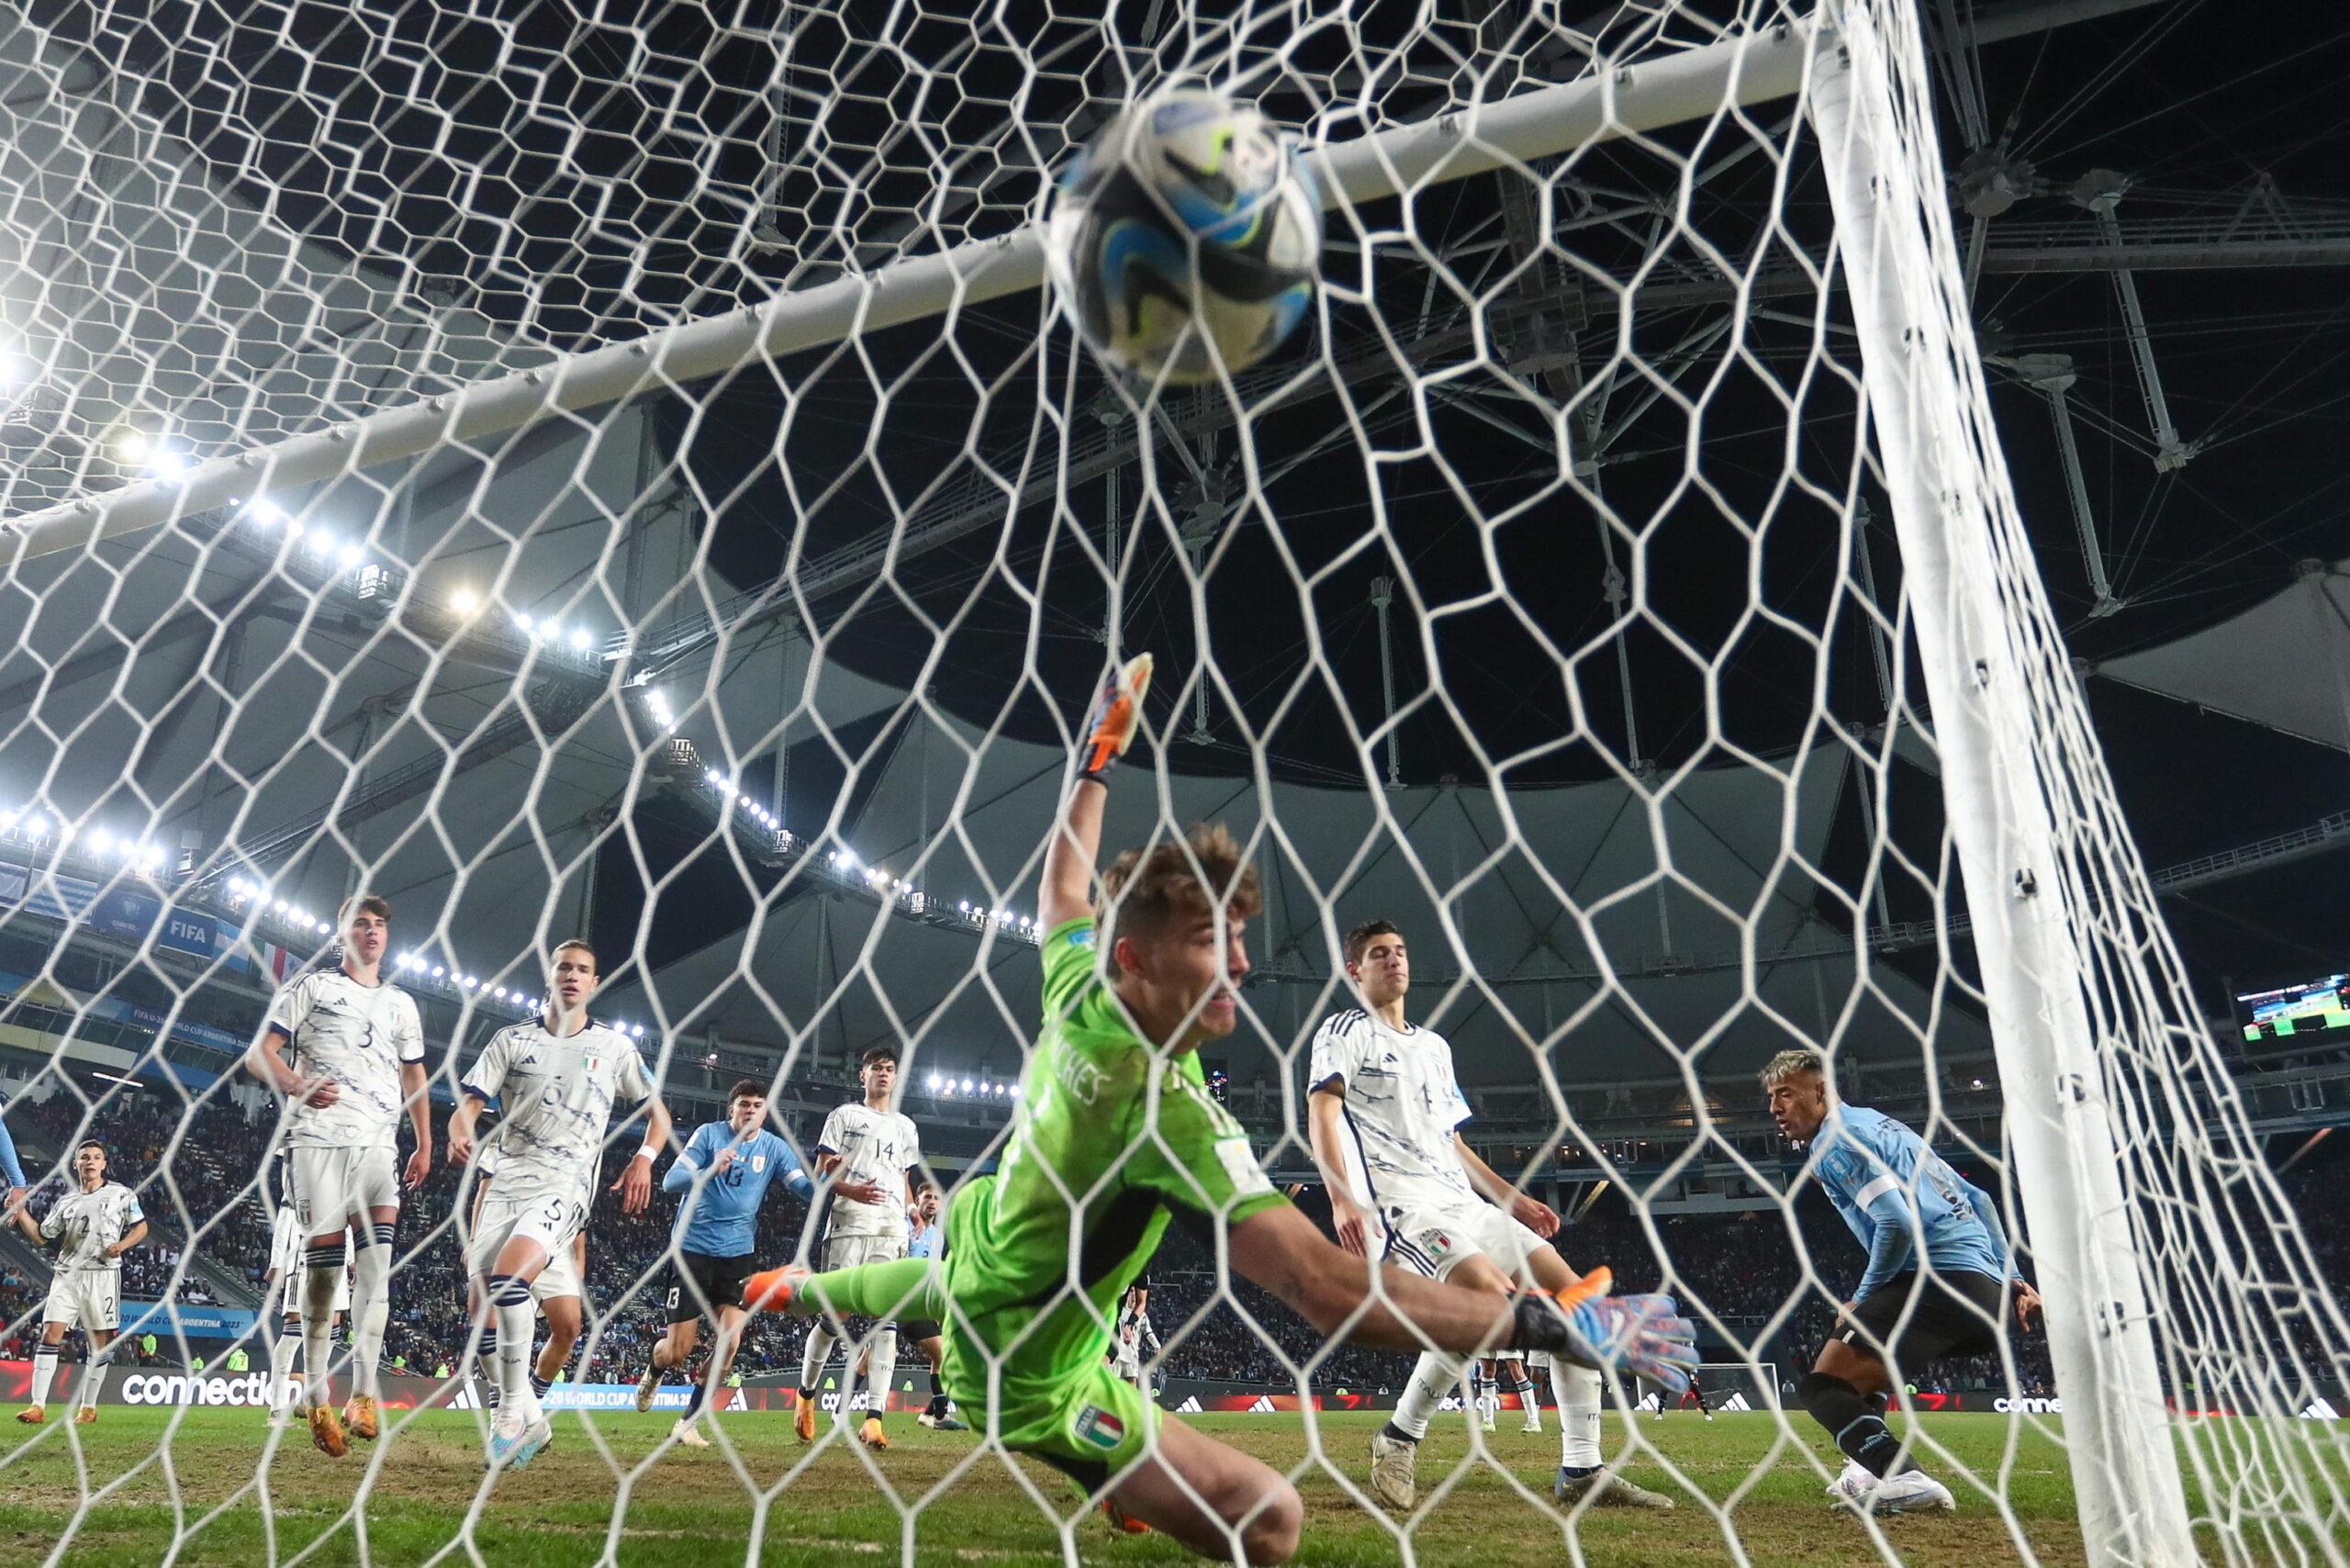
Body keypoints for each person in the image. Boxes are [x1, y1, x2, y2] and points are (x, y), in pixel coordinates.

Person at [740, 654, 1695, 1563]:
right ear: (1140, 961)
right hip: (1028, 1377)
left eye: (1236, 935)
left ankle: (839, 1305)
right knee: (1270, 1521)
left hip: (989, 1252)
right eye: (1210, 939)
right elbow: (1322, 1289)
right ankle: (1087, 1452)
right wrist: (1540, 1324)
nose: (1240, 961)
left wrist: (1096, 761)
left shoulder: (1081, 986)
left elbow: (1064, 883)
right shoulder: (1167, 1116)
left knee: (937, 1282)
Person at [1307, 919, 1667, 1510]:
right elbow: (1322, 1109)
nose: (1394, 961)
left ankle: (1582, 1469)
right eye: (1379, 954)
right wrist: (1340, 1194)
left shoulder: (1435, 1047)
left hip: (1464, 1204)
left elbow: (1450, 1140)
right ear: (1356, 970)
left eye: (1400, 951)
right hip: (1404, 1206)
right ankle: (1399, 1437)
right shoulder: (1344, 1031)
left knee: (1578, 1304)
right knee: (1486, 1305)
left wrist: (1511, 1197)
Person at [1762, 1048, 2042, 1517]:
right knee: (1861, 1374)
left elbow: (1897, 1222)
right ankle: (1866, 1470)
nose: (1775, 1108)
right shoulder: (1879, 1124)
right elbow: (1980, 1199)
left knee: (1821, 1386)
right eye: (1771, 1097)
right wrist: (2013, 1278)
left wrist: (1863, 1296)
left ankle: (1902, 1477)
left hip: (1938, 1281)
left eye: (1785, 1095)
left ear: (1821, 1090)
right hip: (1986, 1296)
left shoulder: (1837, 1141)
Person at [449, 937, 672, 1473]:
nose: (572, 976)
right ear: (549, 976)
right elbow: (469, 1104)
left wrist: (643, 1159)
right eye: (564, 967)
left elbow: (658, 1115)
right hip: (506, 1181)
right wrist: (461, 1132)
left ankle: (508, 1417)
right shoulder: (509, 1041)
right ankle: (536, 1419)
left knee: (511, 1283)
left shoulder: (615, 1049)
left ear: (594, 984)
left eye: (583, 970)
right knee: (484, 1307)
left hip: (566, 1183)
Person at [242, 893, 430, 1457]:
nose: (371, 933)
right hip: (317, 1143)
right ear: (342, 934)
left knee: (376, 1270)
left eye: (378, 925)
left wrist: (424, 1140)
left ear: (387, 937)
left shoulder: (402, 1004)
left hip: (379, 1147)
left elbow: (414, 1073)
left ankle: (365, 1394)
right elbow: (259, 1054)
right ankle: (318, 1395)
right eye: (360, 924)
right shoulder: (310, 988)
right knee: (323, 1279)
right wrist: (298, 1085)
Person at [635, 1078, 838, 1450]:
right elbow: (671, 1181)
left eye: (758, 1105)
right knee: (678, 1350)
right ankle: (656, 1368)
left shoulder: (774, 1148)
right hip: (692, 1252)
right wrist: (709, 1170)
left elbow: (805, 1191)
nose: (750, 1110)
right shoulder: (708, 1136)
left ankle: (688, 1422)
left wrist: (827, 1176)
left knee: (731, 1340)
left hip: (737, 1256)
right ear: (731, 1108)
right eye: (744, 1104)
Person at [793, 1046, 922, 1449]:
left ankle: (874, 1419)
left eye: (889, 1069)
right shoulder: (844, 1116)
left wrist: (913, 1206)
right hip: (849, 1224)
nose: (883, 1074)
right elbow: (821, 1174)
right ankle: (806, 1395)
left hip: (891, 1231)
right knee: (837, 1317)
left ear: (896, 1078)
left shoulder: (906, 1127)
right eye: (876, 1068)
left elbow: (902, 1175)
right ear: (862, 1076)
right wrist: (851, 1189)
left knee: (887, 1322)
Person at [12, 1139, 146, 1424]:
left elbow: (141, 1227)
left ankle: (88, 1407)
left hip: (102, 1275)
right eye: (84, 1157)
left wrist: (121, 1246)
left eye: (96, 1157)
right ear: (76, 1164)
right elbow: (41, 1236)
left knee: (98, 1343)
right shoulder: (67, 1201)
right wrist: (21, 1212)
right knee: (50, 1334)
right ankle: (37, 1407)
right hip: (67, 1274)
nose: (90, 1162)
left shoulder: (122, 1194)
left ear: (104, 1164)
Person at [467, 1131, 590, 1431]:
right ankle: (511, 1414)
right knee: (493, 1323)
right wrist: (474, 1239)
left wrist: (579, 1257)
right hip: (509, 1236)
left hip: (555, 1238)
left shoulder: (575, 1133)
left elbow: (579, 1207)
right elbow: (485, 1191)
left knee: (569, 1328)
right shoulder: (502, 1137)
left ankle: (530, 1400)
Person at [263, 1153, 351, 1421]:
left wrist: (352, 1258)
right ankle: (277, 1407)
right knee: (294, 1330)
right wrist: (277, 1261)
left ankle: (310, 1398)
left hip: (336, 1248)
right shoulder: (299, 1155)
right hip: (302, 1251)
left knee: (333, 1326)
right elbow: (286, 1208)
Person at [904, 1182, 964, 1430]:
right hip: (900, 1300)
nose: (932, 1202)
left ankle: (933, 1414)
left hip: (922, 1305)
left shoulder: (937, 1236)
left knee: (943, 1356)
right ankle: (938, 1415)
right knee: (943, 1355)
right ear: (917, 1200)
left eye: (937, 1198)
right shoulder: (904, 1227)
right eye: (927, 1196)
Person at [1110, 1278, 1159, 1400]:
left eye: (1134, 1292)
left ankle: (1130, 1406)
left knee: (1132, 1380)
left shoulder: (1141, 1315)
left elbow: (1148, 1331)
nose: (1132, 1295)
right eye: (1130, 1292)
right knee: (1113, 1382)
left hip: (1132, 1353)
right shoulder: (1118, 1311)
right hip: (1117, 1351)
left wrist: (1156, 1345)